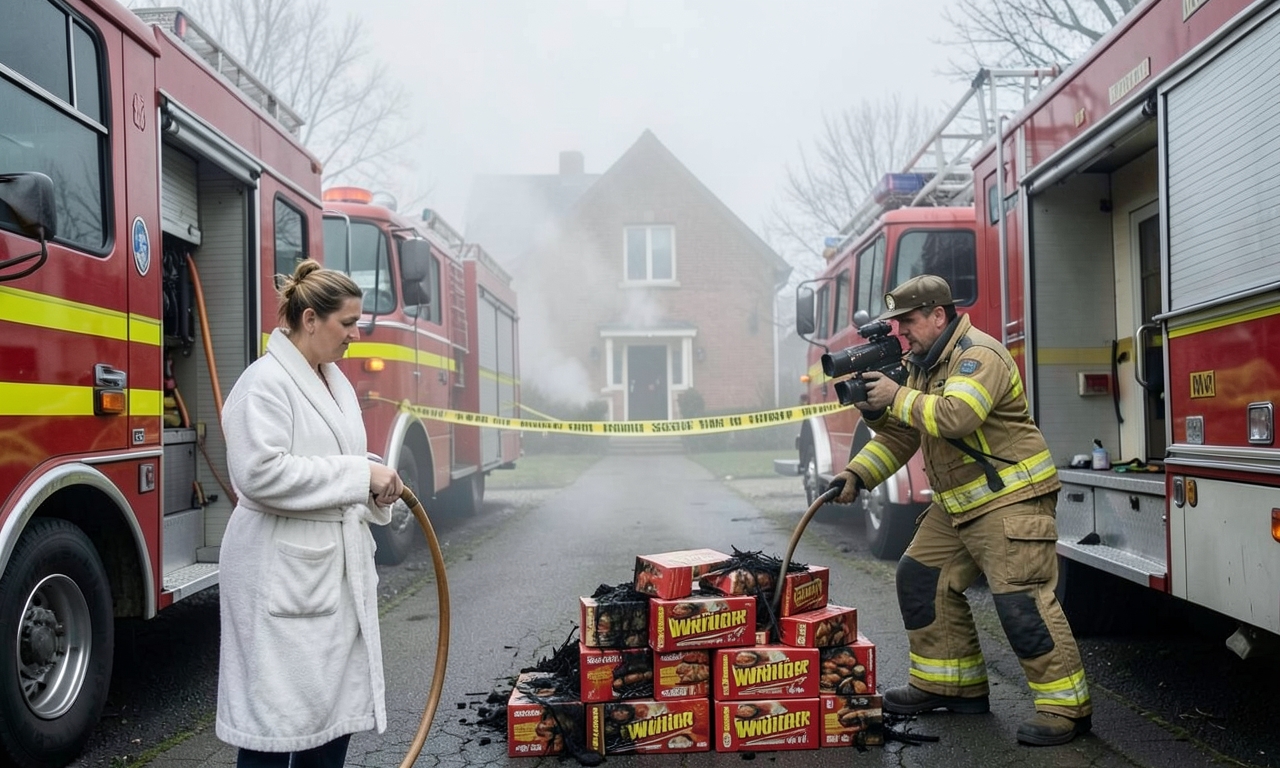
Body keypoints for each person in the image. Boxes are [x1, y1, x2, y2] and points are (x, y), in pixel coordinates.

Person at [828, 274, 1092, 746]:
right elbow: (901, 435)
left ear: (937, 314)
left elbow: (956, 416)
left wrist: (898, 396)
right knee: (920, 578)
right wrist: (858, 474)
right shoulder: (925, 365)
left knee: (1020, 601)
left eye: (908, 321)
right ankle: (949, 684)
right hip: (961, 506)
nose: (902, 332)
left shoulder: (979, 354)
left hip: (1011, 499)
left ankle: (1065, 709)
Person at [216, 259, 404, 768]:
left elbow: (328, 455)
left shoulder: (331, 381)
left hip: (328, 566)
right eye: (348, 324)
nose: (355, 337)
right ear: (309, 319)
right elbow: (261, 473)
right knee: (273, 722)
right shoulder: (265, 383)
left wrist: (372, 482)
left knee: (332, 711)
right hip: (278, 570)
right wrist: (358, 476)